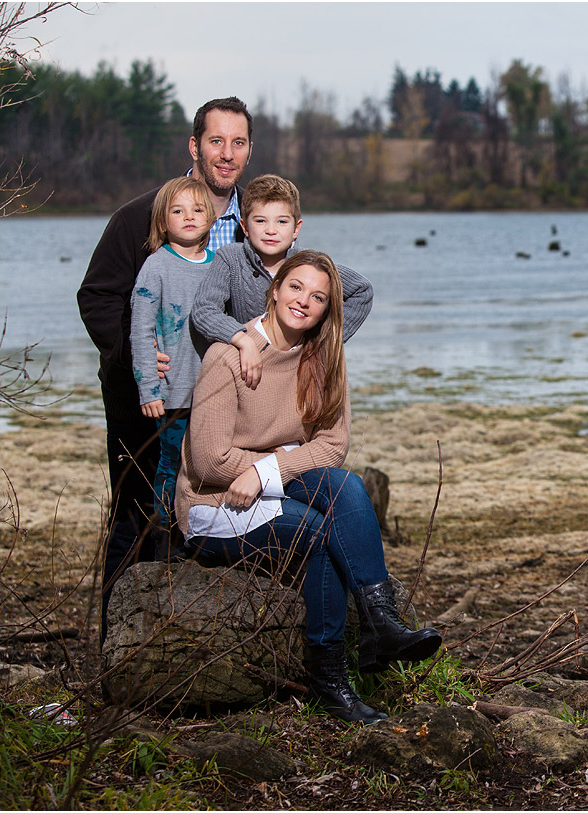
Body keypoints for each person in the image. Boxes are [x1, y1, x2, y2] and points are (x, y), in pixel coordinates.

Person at [176, 250, 440, 724]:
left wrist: (264, 471)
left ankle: (380, 624)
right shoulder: (227, 356)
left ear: (327, 309)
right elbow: (210, 460)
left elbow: (334, 446)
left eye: (318, 297)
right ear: (274, 289)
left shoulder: (322, 360)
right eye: (295, 287)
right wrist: (274, 465)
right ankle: (334, 677)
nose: (303, 302)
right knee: (321, 534)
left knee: (347, 486)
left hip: (270, 484)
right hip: (215, 502)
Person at [77, 97, 253, 636]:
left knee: (208, 512)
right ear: (194, 146)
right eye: (216, 141)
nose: (226, 155)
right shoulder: (143, 217)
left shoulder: (258, 225)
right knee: (137, 516)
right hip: (147, 401)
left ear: (249, 150)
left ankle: (190, 650)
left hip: (225, 405)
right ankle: (118, 652)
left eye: (238, 142)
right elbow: (98, 297)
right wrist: (136, 356)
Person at [190, 174, 373, 390]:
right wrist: (242, 339)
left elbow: (362, 290)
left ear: (296, 228)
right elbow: (204, 310)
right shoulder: (230, 258)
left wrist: (323, 345)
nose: (271, 230)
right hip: (246, 371)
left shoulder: (308, 265)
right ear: (244, 226)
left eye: (282, 221)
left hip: (294, 374)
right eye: (260, 220)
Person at [129, 176, 216, 528]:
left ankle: (205, 528)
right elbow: (140, 331)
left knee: (208, 464)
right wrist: (149, 388)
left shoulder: (218, 265)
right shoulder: (156, 267)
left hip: (214, 389)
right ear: (164, 222)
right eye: (178, 211)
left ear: (210, 218)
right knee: (172, 462)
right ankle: (166, 533)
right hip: (174, 392)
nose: (189, 216)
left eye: (197, 210)